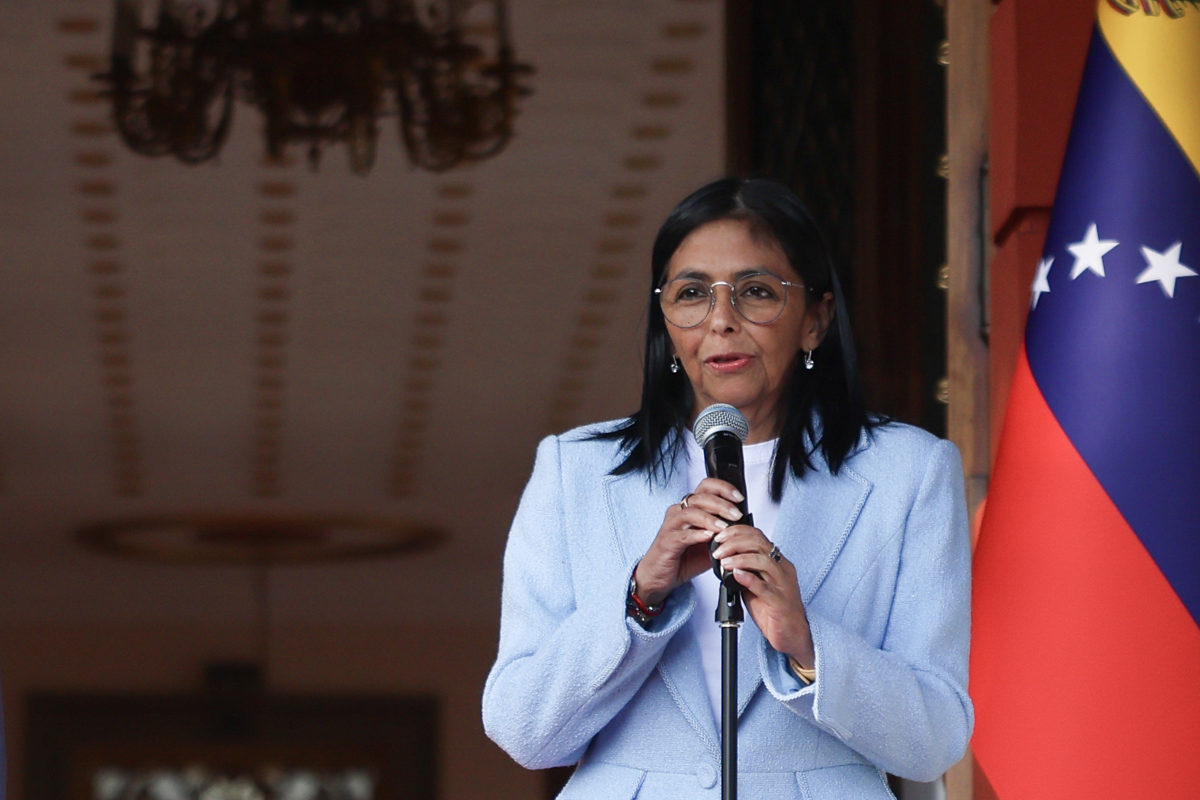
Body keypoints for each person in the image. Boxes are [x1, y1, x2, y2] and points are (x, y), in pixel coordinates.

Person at [482, 178, 972, 799]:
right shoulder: (573, 469)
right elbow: (523, 730)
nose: (720, 321)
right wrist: (639, 597)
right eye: (691, 294)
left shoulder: (911, 470)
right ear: (665, 321)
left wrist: (808, 645)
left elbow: (935, 741)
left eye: (756, 292)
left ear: (816, 320)